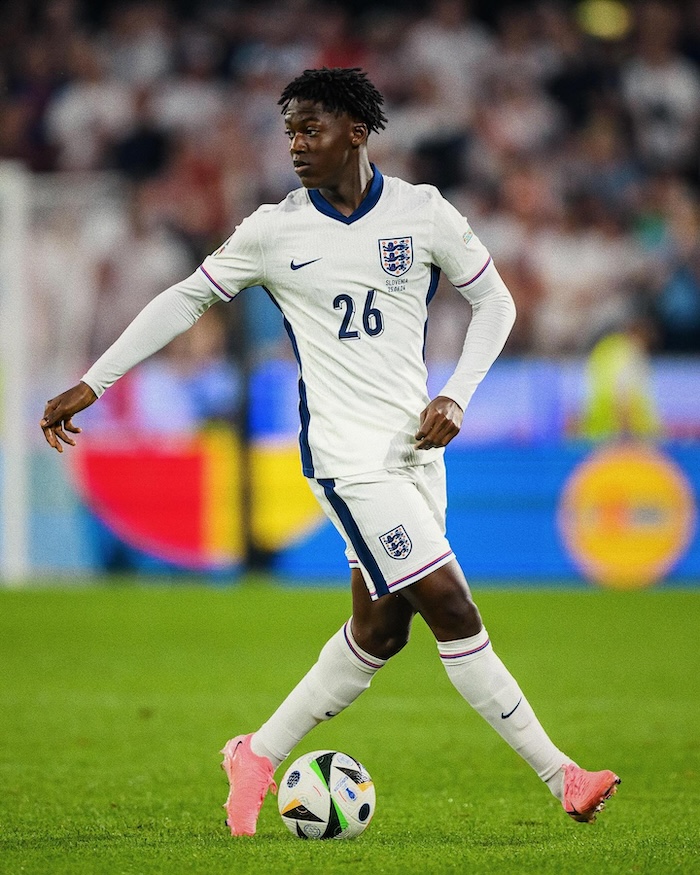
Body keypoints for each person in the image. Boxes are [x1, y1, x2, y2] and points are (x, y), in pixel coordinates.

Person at [41, 67, 620, 836]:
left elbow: (497, 302)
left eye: (309, 129)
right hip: (347, 460)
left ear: (356, 129)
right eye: (289, 133)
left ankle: (255, 752)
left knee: (382, 629)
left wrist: (457, 395)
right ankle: (564, 775)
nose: (295, 146)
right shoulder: (274, 231)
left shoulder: (422, 214)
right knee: (450, 602)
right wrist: (94, 380)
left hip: (417, 453)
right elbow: (184, 297)